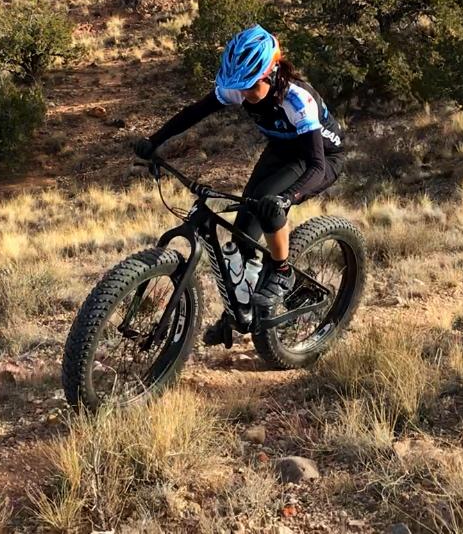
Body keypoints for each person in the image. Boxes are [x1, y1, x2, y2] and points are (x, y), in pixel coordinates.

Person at [134, 24, 345, 346]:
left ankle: (283, 271)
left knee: (270, 201)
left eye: (249, 87)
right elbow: (195, 113)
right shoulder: (238, 88)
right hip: (282, 150)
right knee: (243, 236)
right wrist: (155, 141)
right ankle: (239, 314)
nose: (244, 94)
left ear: (269, 74)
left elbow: (317, 165)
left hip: (320, 158)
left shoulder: (296, 100)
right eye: (240, 88)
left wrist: (289, 197)